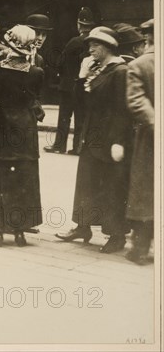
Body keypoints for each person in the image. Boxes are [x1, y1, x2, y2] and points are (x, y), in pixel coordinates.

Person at [56, 27, 132, 253]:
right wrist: (81, 76)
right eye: (90, 45)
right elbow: (80, 102)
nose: (90, 49)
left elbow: (123, 110)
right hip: (93, 136)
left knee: (111, 186)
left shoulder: (120, 71)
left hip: (110, 138)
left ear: (108, 47)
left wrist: (119, 141)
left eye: (95, 45)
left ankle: (116, 235)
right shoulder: (96, 69)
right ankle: (83, 226)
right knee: (86, 182)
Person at [0, 25, 43, 247]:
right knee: (22, 181)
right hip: (24, 135)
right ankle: (20, 231)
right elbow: (34, 102)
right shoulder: (36, 73)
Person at [45, 7, 95, 155]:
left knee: (64, 118)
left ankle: (59, 146)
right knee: (80, 117)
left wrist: (62, 75)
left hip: (67, 87)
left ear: (78, 25)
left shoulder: (74, 41)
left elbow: (61, 62)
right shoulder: (93, 42)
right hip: (82, 87)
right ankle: (78, 147)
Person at [125, 19, 155, 265]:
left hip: (150, 139)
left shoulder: (138, 64)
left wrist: (154, 122)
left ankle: (140, 248)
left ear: (148, 38)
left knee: (147, 192)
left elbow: (136, 101)